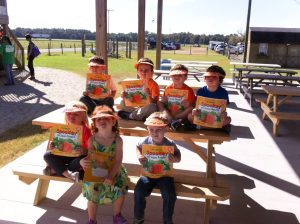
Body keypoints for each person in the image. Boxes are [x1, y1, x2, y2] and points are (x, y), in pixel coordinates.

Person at [79, 105, 128, 224]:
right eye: (98, 119)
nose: (102, 121)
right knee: (92, 192)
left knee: (119, 188)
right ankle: (92, 219)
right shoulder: (92, 140)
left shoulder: (117, 140)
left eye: (106, 118)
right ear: (94, 124)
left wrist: (111, 176)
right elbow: (90, 157)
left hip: (114, 169)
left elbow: (118, 160)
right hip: (97, 170)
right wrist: (82, 161)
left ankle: (117, 215)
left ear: (113, 121)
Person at [133, 112, 181, 224]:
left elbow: (179, 156)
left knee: (170, 195)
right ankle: (138, 218)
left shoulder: (170, 144)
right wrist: (139, 155)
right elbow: (137, 147)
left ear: (166, 129)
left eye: (158, 130)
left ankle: (167, 220)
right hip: (147, 175)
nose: (154, 133)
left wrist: (175, 159)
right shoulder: (145, 141)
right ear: (147, 129)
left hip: (165, 176)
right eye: (151, 130)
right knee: (139, 191)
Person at [43, 101, 92, 182]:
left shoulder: (86, 131)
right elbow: (53, 148)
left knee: (83, 160)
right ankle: (69, 175)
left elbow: (92, 151)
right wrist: (52, 146)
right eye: (69, 113)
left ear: (83, 117)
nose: (72, 116)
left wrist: (85, 151)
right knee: (47, 155)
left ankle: (57, 170)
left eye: (76, 114)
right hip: (64, 156)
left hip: (77, 158)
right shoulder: (62, 128)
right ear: (65, 115)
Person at [190, 65, 232, 132]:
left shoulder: (224, 93)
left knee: (228, 119)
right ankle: (217, 128)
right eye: (208, 76)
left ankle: (202, 127)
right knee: (190, 116)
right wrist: (194, 110)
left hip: (215, 117)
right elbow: (196, 106)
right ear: (205, 79)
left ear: (220, 80)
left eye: (214, 77)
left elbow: (224, 109)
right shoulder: (200, 91)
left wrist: (224, 114)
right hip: (202, 116)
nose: (210, 78)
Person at [157, 64, 196, 131]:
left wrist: (187, 105)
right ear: (171, 76)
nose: (177, 77)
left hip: (181, 114)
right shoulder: (168, 88)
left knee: (190, 108)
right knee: (159, 103)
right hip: (170, 112)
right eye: (174, 75)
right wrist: (164, 101)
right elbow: (164, 103)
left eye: (180, 75)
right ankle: (172, 120)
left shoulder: (189, 90)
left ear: (185, 77)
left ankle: (173, 120)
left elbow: (192, 106)